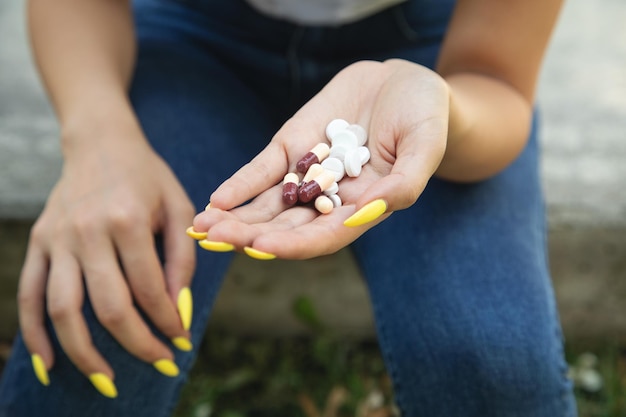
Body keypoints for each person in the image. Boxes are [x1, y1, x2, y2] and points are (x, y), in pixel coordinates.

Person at [0, 0, 577, 415]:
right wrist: (97, 138)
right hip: (193, 37)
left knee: (493, 362)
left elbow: (496, 79)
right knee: (106, 311)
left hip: (437, 56)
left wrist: (443, 110)